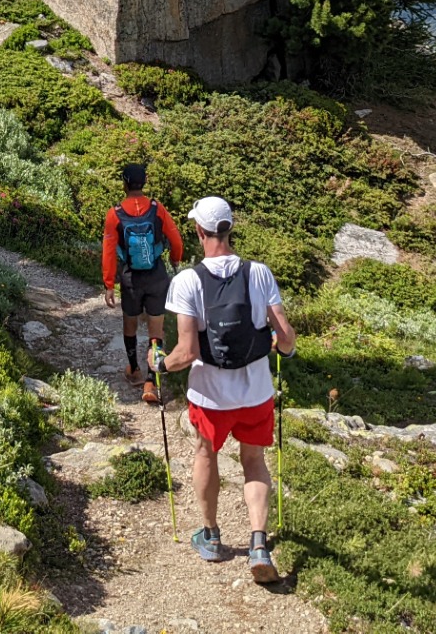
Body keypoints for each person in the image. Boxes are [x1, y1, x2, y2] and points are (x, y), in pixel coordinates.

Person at [152, 195, 296, 583]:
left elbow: (186, 352)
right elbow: (285, 337)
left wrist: (160, 365)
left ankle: (212, 536)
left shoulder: (187, 281)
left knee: (205, 454)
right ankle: (259, 545)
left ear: (199, 231)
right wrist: (282, 348)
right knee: (254, 461)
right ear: (229, 229)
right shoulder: (259, 273)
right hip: (256, 392)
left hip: (210, 395)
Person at [101, 162, 185, 403]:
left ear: (125, 184)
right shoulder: (157, 209)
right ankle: (151, 381)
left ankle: (134, 370)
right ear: (144, 182)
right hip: (157, 276)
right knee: (155, 331)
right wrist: (176, 259)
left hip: (131, 279)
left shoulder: (115, 214)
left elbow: (108, 251)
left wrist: (109, 284)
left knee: (130, 324)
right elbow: (176, 240)